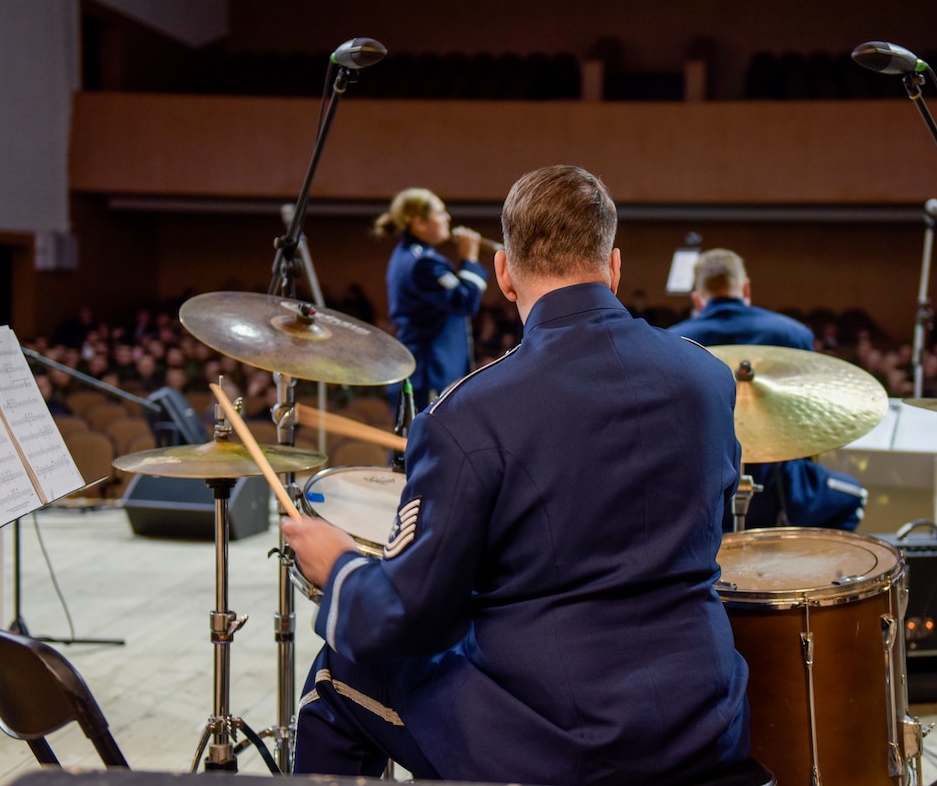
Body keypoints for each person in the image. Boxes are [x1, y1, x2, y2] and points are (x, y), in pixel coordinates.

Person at [283, 166, 751, 786]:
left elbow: (415, 615)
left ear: (502, 272)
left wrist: (340, 568)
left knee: (342, 667)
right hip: (705, 714)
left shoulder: (466, 413)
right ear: (614, 265)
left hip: (565, 739)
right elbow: (708, 527)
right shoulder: (707, 377)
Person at [669, 248, 866, 531]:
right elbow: (807, 421)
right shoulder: (792, 335)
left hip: (703, 496)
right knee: (852, 498)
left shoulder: (674, 340)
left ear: (697, 300)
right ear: (745, 289)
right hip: (780, 493)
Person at [375, 188, 489, 406]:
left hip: (422, 373)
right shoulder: (424, 263)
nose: (448, 218)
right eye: (440, 213)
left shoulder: (408, 255)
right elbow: (464, 301)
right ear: (419, 222)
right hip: (430, 375)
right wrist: (470, 260)